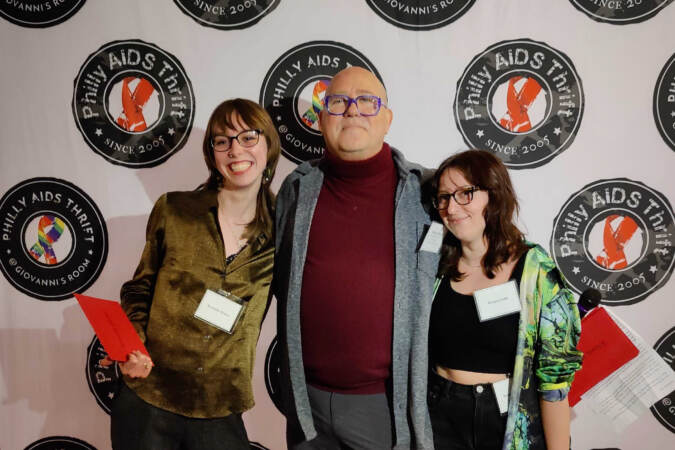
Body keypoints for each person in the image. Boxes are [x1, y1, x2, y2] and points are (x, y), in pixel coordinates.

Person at [273, 66, 438, 450]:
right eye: (337, 102)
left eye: (366, 101)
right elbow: (269, 278)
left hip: (382, 408)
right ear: (321, 118)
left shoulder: (427, 193)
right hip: (305, 404)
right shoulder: (296, 189)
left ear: (386, 119)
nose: (351, 111)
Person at [102, 98, 280, 450]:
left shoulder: (285, 228)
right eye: (222, 140)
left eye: (248, 137)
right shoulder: (175, 210)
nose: (235, 149)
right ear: (212, 153)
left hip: (220, 407)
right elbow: (140, 290)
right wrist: (131, 344)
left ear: (268, 145)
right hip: (150, 398)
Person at [427, 150, 582, 450]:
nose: (451, 207)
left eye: (465, 194)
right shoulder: (433, 265)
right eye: (444, 197)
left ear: (494, 196)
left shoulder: (536, 271)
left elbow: (554, 380)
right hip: (436, 418)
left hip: (503, 422)